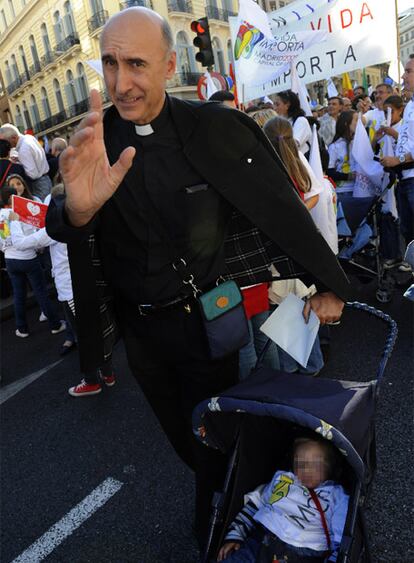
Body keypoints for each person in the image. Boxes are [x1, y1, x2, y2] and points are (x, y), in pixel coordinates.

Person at [46, 7, 349, 545]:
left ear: (168, 64)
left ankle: (223, 515)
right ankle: (228, 497)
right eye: (110, 63)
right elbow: (61, 219)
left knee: (220, 434)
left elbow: (276, 205)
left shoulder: (217, 128)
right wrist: (75, 209)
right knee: (186, 440)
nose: (121, 82)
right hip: (142, 337)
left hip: (214, 324)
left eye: (136, 63)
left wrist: (327, 282)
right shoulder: (95, 140)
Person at [8, 185, 116, 394]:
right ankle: (108, 373)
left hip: (70, 289)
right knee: (97, 330)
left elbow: (21, 243)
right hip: (92, 283)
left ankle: (92, 381)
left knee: (84, 336)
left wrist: (14, 222)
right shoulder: (87, 217)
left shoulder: (55, 229)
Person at [217, 436, 348, 562]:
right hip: (263, 538)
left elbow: (342, 536)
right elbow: (256, 504)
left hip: (304, 551)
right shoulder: (284, 479)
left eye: (314, 463)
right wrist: (235, 535)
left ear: (329, 467)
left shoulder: (336, 495)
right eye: (299, 463)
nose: (305, 469)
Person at [0, 186, 65, 338]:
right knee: (40, 292)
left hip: (9, 260)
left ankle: (22, 329)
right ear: (14, 198)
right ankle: (55, 324)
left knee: (18, 295)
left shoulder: (1, 215)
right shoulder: (20, 212)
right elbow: (33, 235)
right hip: (28, 258)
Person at [381, 55, 414, 247]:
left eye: (409, 71)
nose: (403, 76)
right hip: (404, 179)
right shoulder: (410, 105)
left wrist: (397, 159)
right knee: (409, 236)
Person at [0, 124, 52, 201]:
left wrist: (17, 166)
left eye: (5, 141)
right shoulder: (29, 138)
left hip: (38, 186)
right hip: (46, 180)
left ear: (13, 138)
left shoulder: (23, 150)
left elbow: (32, 174)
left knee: (42, 210)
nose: (4, 144)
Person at [327, 111, 359, 203]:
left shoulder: (358, 143)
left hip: (360, 190)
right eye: (356, 120)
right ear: (346, 124)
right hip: (343, 191)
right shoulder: (335, 146)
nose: (359, 123)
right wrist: (348, 176)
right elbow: (329, 172)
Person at [274, 90, 312, 156]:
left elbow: (293, 144)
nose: (274, 108)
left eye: (277, 104)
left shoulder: (301, 121)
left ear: (287, 105)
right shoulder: (281, 122)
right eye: (274, 104)